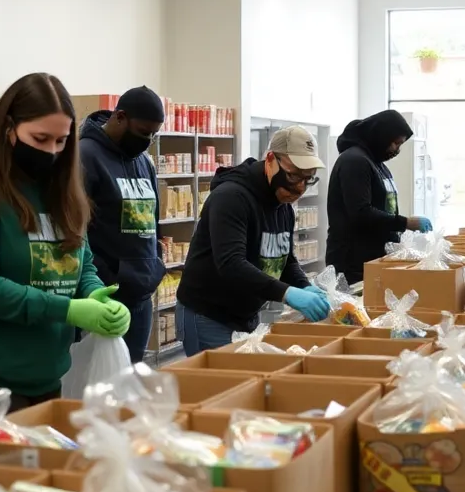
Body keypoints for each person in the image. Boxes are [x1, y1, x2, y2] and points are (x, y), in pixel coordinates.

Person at [0, 73, 129, 410]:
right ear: (8, 129)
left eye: (61, 141)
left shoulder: (61, 192)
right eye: (40, 138)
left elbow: (82, 261)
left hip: (45, 378)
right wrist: (70, 310)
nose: (51, 151)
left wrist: (94, 295)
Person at [176, 126, 332, 354]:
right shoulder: (231, 198)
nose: (299, 187)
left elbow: (284, 259)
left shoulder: (283, 206)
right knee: (220, 387)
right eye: (292, 175)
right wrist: (287, 293)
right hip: (208, 314)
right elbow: (231, 263)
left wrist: (304, 286)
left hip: (245, 316)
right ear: (270, 160)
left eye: (307, 179)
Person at [79, 87, 167, 363]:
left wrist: (156, 264)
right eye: (143, 132)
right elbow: (75, 229)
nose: (148, 140)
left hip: (142, 297)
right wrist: (107, 276)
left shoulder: (145, 163)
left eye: (154, 135)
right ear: (120, 117)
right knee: (100, 385)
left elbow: (152, 221)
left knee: (130, 381)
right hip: (105, 295)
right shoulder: (85, 156)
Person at [326, 109, 434, 284]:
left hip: (374, 258)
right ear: (382, 136)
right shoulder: (354, 161)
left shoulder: (376, 164)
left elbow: (383, 206)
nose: (396, 150)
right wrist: (405, 223)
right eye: (395, 144)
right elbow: (360, 212)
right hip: (353, 263)